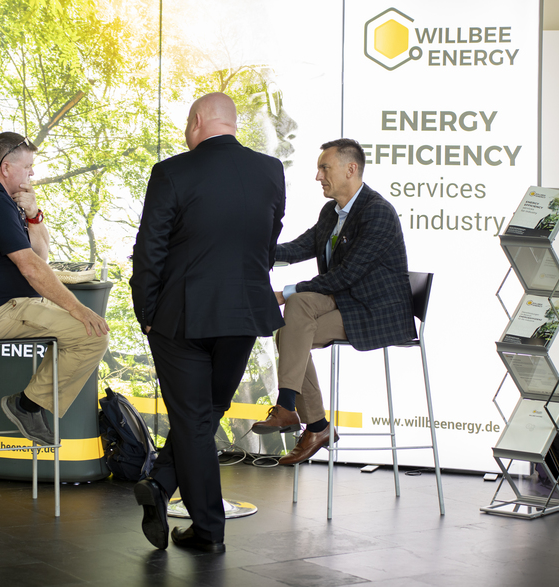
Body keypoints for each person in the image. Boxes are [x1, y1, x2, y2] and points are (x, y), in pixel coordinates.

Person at [130, 93, 286, 553]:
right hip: (244, 313)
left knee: (194, 419)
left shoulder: (172, 172)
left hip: (182, 316)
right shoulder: (270, 171)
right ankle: (160, 484)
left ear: (197, 121)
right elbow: (269, 238)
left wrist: (147, 314)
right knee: (205, 413)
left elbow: (149, 249)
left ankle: (208, 530)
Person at [251, 138, 416, 465]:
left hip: (375, 309)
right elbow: (299, 248)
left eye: (324, 168)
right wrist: (252, 250)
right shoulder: (332, 212)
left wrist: (284, 293)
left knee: (292, 318)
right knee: (294, 320)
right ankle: (306, 419)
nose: (318, 176)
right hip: (344, 300)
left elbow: (347, 274)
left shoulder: (377, 212)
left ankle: (308, 421)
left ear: (350, 169)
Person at [0, 132, 110, 445]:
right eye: (27, 167)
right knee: (93, 334)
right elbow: (32, 267)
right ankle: (26, 406)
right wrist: (77, 308)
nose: (32, 173)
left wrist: (33, 214)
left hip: (4, 306)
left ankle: (29, 405)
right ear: (6, 167)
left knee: (85, 329)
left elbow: (40, 255)